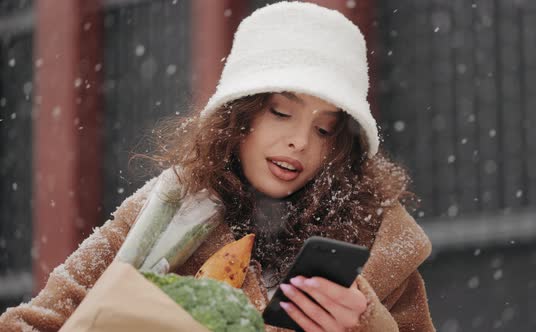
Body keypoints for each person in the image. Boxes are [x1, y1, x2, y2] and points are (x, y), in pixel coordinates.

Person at [0, 2, 435, 331]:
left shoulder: (381, 245)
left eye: (325, 131)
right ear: (238, 116)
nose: (299, 141)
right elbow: (31, 324)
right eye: (281, 112)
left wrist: (367, 326)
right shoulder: (165, 212)